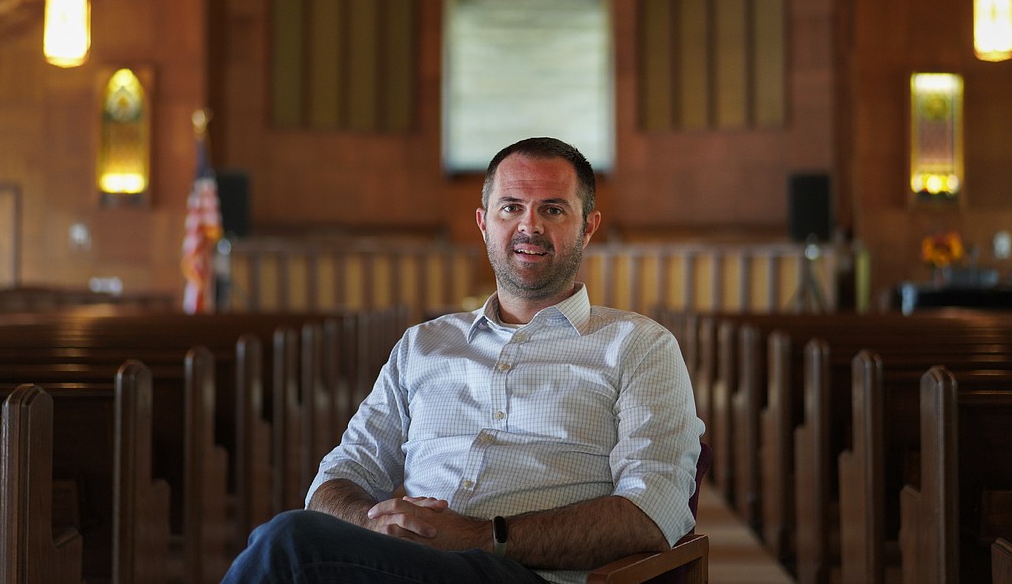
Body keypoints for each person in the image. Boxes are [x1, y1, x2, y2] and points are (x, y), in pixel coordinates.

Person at [221, 137, 704, 583]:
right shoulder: (423, 344)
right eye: (510, 207)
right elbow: (339, 477)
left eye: (552, 209)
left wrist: (480, 537)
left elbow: (651, 511)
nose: (528, 226)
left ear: (588, 226)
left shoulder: (640, 346)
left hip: (531, 575)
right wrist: (382, 525)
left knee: (287, 546)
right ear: (483, 222)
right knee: (293, 541)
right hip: (406, 564)